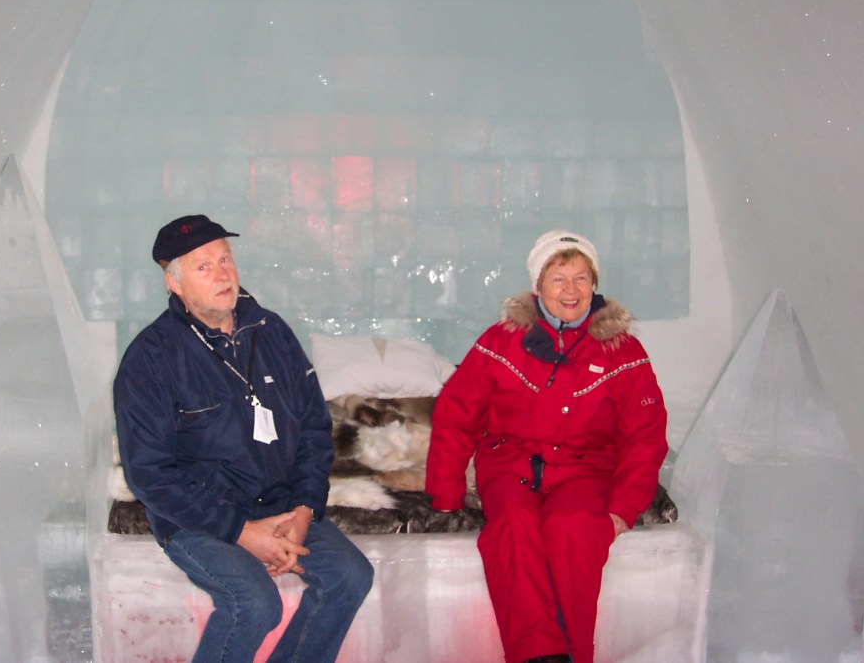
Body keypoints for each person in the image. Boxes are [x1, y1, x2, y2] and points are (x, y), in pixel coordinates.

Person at [113, 214, 373, 663]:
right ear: (174, 284)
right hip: (199, 520)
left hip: (279, 504)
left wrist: (305, 510)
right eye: (203, 266)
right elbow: (149, 475)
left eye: (225, 259)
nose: (222, 273)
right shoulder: (150, 358)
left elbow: (314, 427)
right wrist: (241, 532)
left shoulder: (272, 332)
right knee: (253, 603)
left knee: (350, 576)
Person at [425, 229, 668, 663]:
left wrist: (622, 508)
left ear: (594, 284)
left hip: (585, 470)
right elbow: (456, 414)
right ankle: (540, 656)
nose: (570, 290)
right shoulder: (502, 340)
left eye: (581, 278)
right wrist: (446, 496)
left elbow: (644, 435)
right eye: (558, 279)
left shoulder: (623, 351)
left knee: (574, 527)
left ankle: (574, 655)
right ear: (538, 286)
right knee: (512, 526)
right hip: (510, 463)